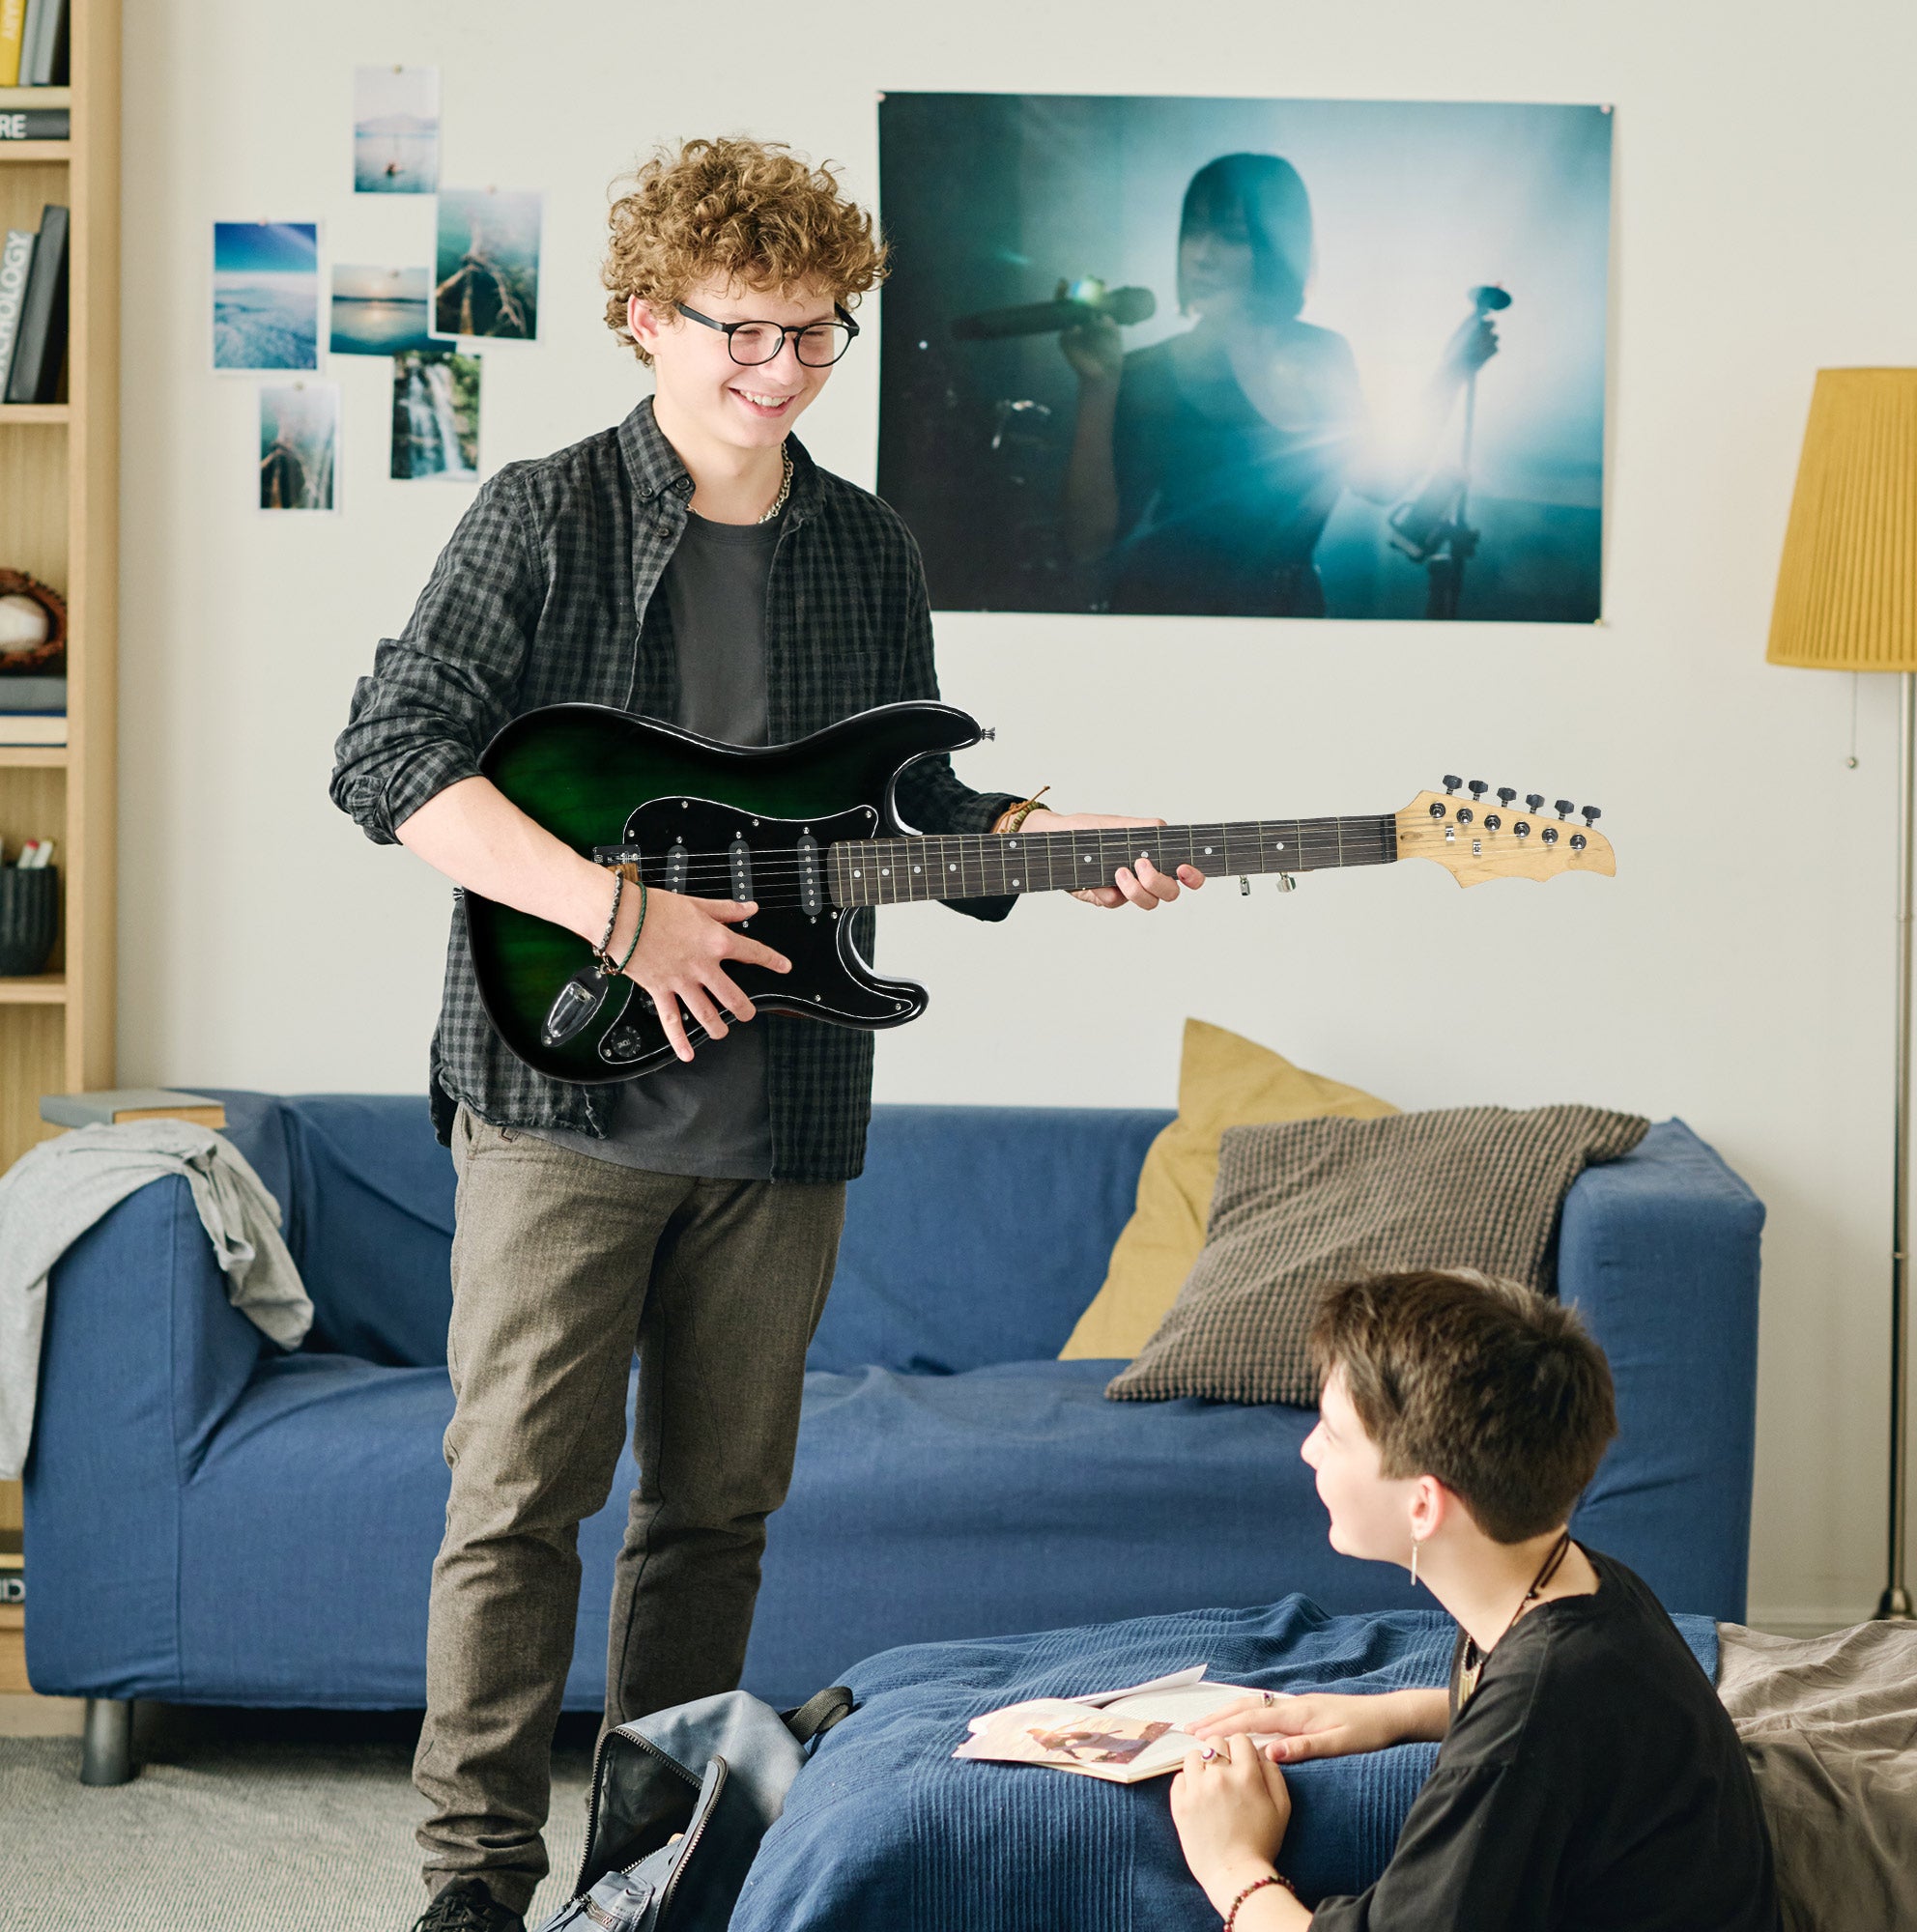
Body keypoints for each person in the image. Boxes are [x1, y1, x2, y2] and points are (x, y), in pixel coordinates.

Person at [329, 136, 1202, 1932]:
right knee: (514, 1510)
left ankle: (649, 1879)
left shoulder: (865, 546)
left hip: (782, 1112)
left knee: (713, 1524)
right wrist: (617, 911)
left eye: (818, 336)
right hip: (557, 1096)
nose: (780, 373)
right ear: (646, 320)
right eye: (741, 333)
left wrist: (1046, 852)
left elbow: (909, 805)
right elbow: (390, 759)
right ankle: (475, 1897)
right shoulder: (540, 514)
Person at [1167, 1269, 1782, 1931]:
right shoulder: (1588, 1582)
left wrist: (1231, 1864)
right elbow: (1574, 1732)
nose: (1309, 1448)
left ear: (1423, 1504)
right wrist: (1400, 1713)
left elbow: (1531, 1736)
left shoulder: (1527, 1727)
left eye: (1334, 1434)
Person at [1059, 152, 1498, 616]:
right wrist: (1098, 387)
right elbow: (1087, 542)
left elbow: (1380, 482)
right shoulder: (1147, 370)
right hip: (1176, 615)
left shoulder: (1327, 352)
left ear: (1277, 246)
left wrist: (1450, 373)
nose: (1201, 255)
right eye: (1193, 231)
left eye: (1231, 236)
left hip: (1290, 612)